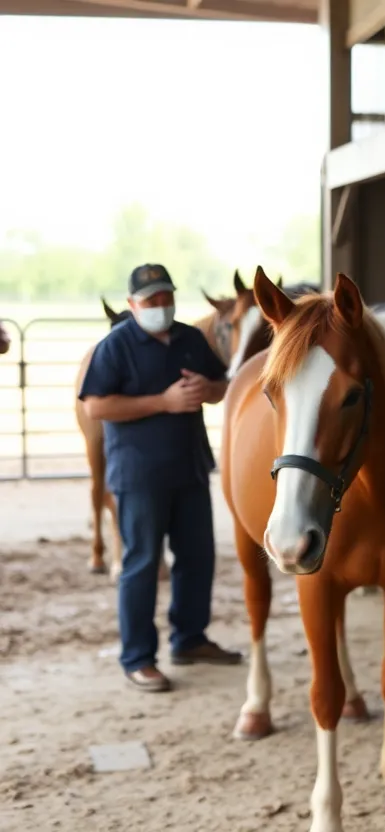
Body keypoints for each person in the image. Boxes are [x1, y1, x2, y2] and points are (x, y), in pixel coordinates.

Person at [79, 264, 242, 692]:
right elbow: (96, 406)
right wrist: (164, 402)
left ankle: (189, 639)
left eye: (166, 296)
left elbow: (222, 383)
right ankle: (137, 657)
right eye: (151, 299)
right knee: (142, 564)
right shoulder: (115, 346)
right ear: (133, 304)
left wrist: (209, 392)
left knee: (198, 558)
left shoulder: (191, 338)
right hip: (140, 474)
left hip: (189, 467)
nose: (161, 305)